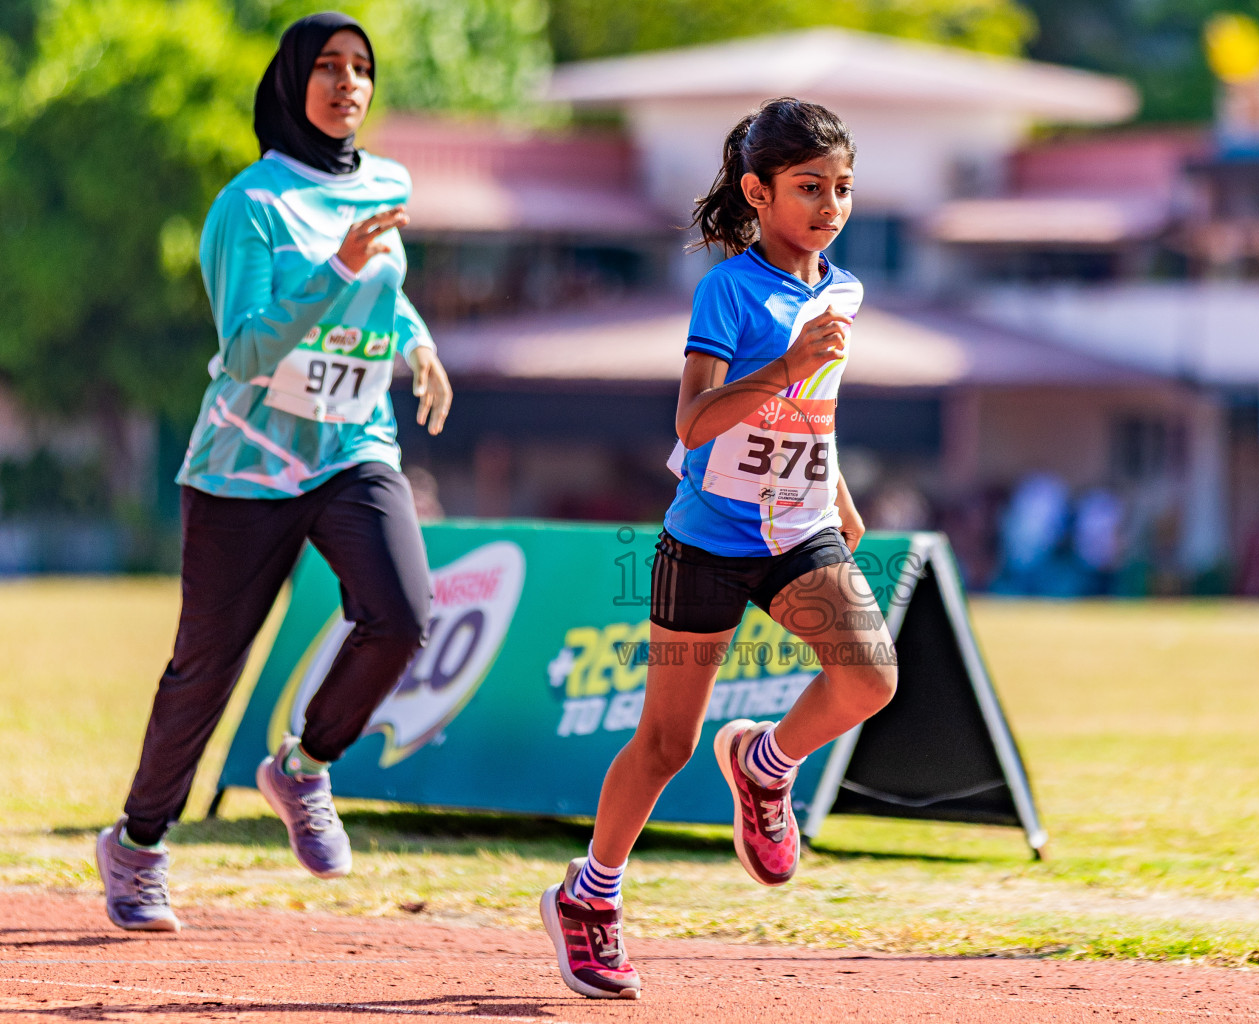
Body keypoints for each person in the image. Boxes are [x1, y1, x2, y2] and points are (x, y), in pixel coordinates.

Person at [95, 12, 453, 933]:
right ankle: (136, 846)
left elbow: (390, 288)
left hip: (352, 446)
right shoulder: (248, 206)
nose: (348, 83)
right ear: (292, 82)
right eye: (328, 67)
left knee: (405, 614)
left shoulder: (388, 181)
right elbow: (250, 351)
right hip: (245, 467)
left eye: (362, 68)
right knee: (206, 672)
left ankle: (303, 766)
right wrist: (332, 267)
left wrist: (418, 346)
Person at [540, 97, 898, 1000]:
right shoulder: (728, 290)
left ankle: (766, 763)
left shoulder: (843, 290)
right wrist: (784, 361)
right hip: (708, 538)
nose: (829, 205)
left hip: (797, 530)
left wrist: (839, 494)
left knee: (870, 676)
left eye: (843, 189)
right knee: (664, 743)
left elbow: (813, 410)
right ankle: (588, 897)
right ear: (757, 190)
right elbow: (695, 423)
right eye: (809, 187)